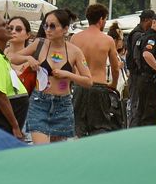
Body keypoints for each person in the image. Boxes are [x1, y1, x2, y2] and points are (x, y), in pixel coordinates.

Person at [24, 9, 99, 143]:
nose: (48, 29)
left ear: (65, 29)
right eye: (45, 25)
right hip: (39, 102)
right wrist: (29, 59)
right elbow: (12, 56)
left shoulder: (75, 52)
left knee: (56, 154)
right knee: (41, 150)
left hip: (62, 105)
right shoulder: (39, 44)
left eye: (52, 26)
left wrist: (68, 74)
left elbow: (88, 81)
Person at [69, 3, 123, 138]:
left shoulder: (75, 38)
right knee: (100, 126)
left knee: (78, 124)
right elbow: (115, 68)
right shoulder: (107, 40)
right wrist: (114, 84)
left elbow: (69, 65)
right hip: (99, 85)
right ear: (101, 19)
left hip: (80, 85)